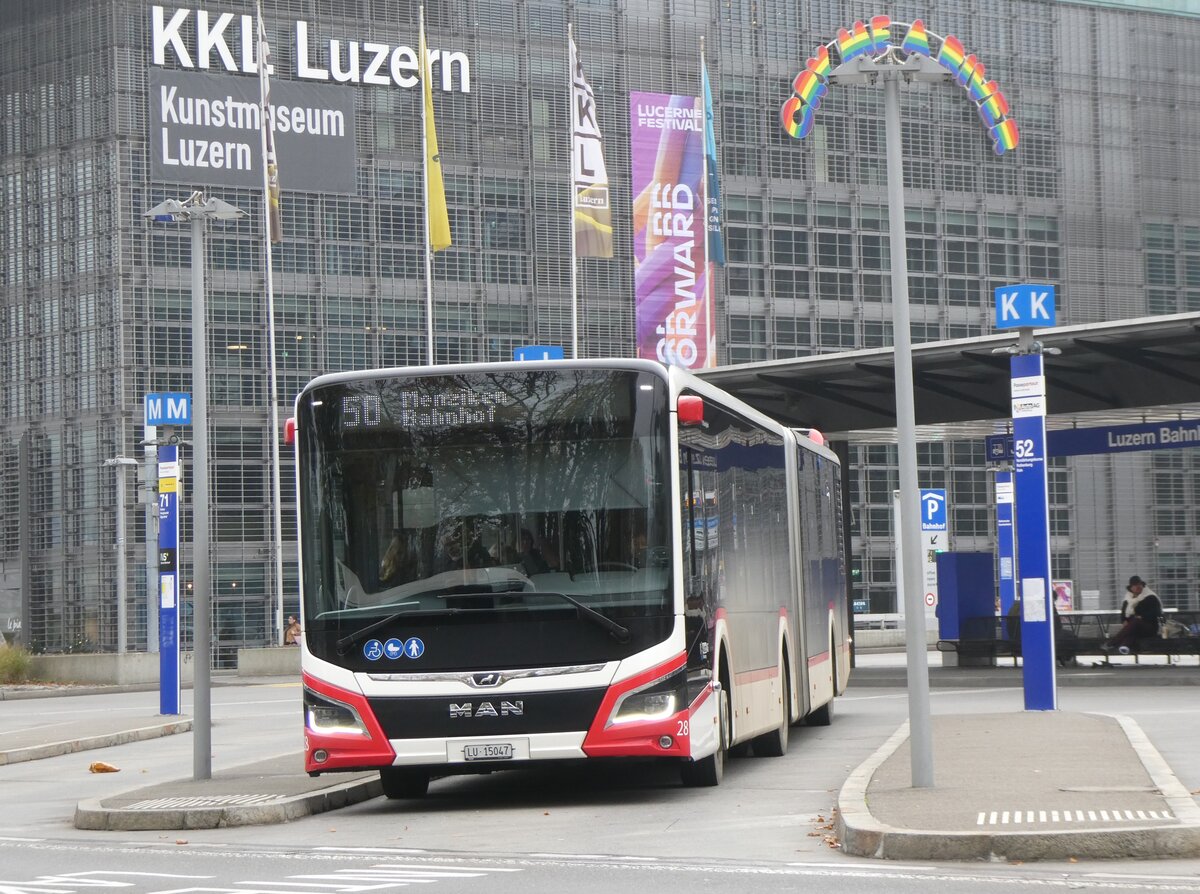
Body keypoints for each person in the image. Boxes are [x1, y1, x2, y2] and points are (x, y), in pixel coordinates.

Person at [1106, 575, 1163, 654]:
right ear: (1131, 588)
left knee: (1135, 622)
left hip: (1149, 626)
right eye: (1135, 585)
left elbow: (1156, 612)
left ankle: (1112, 643)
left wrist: (1142, 617)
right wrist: (1124, 620)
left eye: (1139, 585)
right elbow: (1123, 612)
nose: (1137, 587)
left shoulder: (1150, 597)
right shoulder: (1128, 599)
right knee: (1132, 629)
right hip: (1133, 626)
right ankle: (1124, 648)